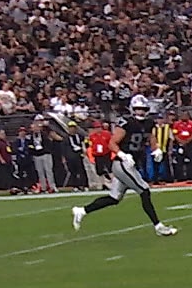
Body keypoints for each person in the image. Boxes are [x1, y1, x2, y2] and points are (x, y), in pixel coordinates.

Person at [72, 95, 178, 236]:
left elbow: (151, 137)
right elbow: (112, 143)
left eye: (143, 109)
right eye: (138, 109)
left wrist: (156, 148)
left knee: (114, 198)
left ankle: (82, 211)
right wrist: (123, 154)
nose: (140, 112)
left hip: (131, 164)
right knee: (144, 191)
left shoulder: (148, 123)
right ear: (133, 109)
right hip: (122, 164)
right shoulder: (126, 123)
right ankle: (158, 226)